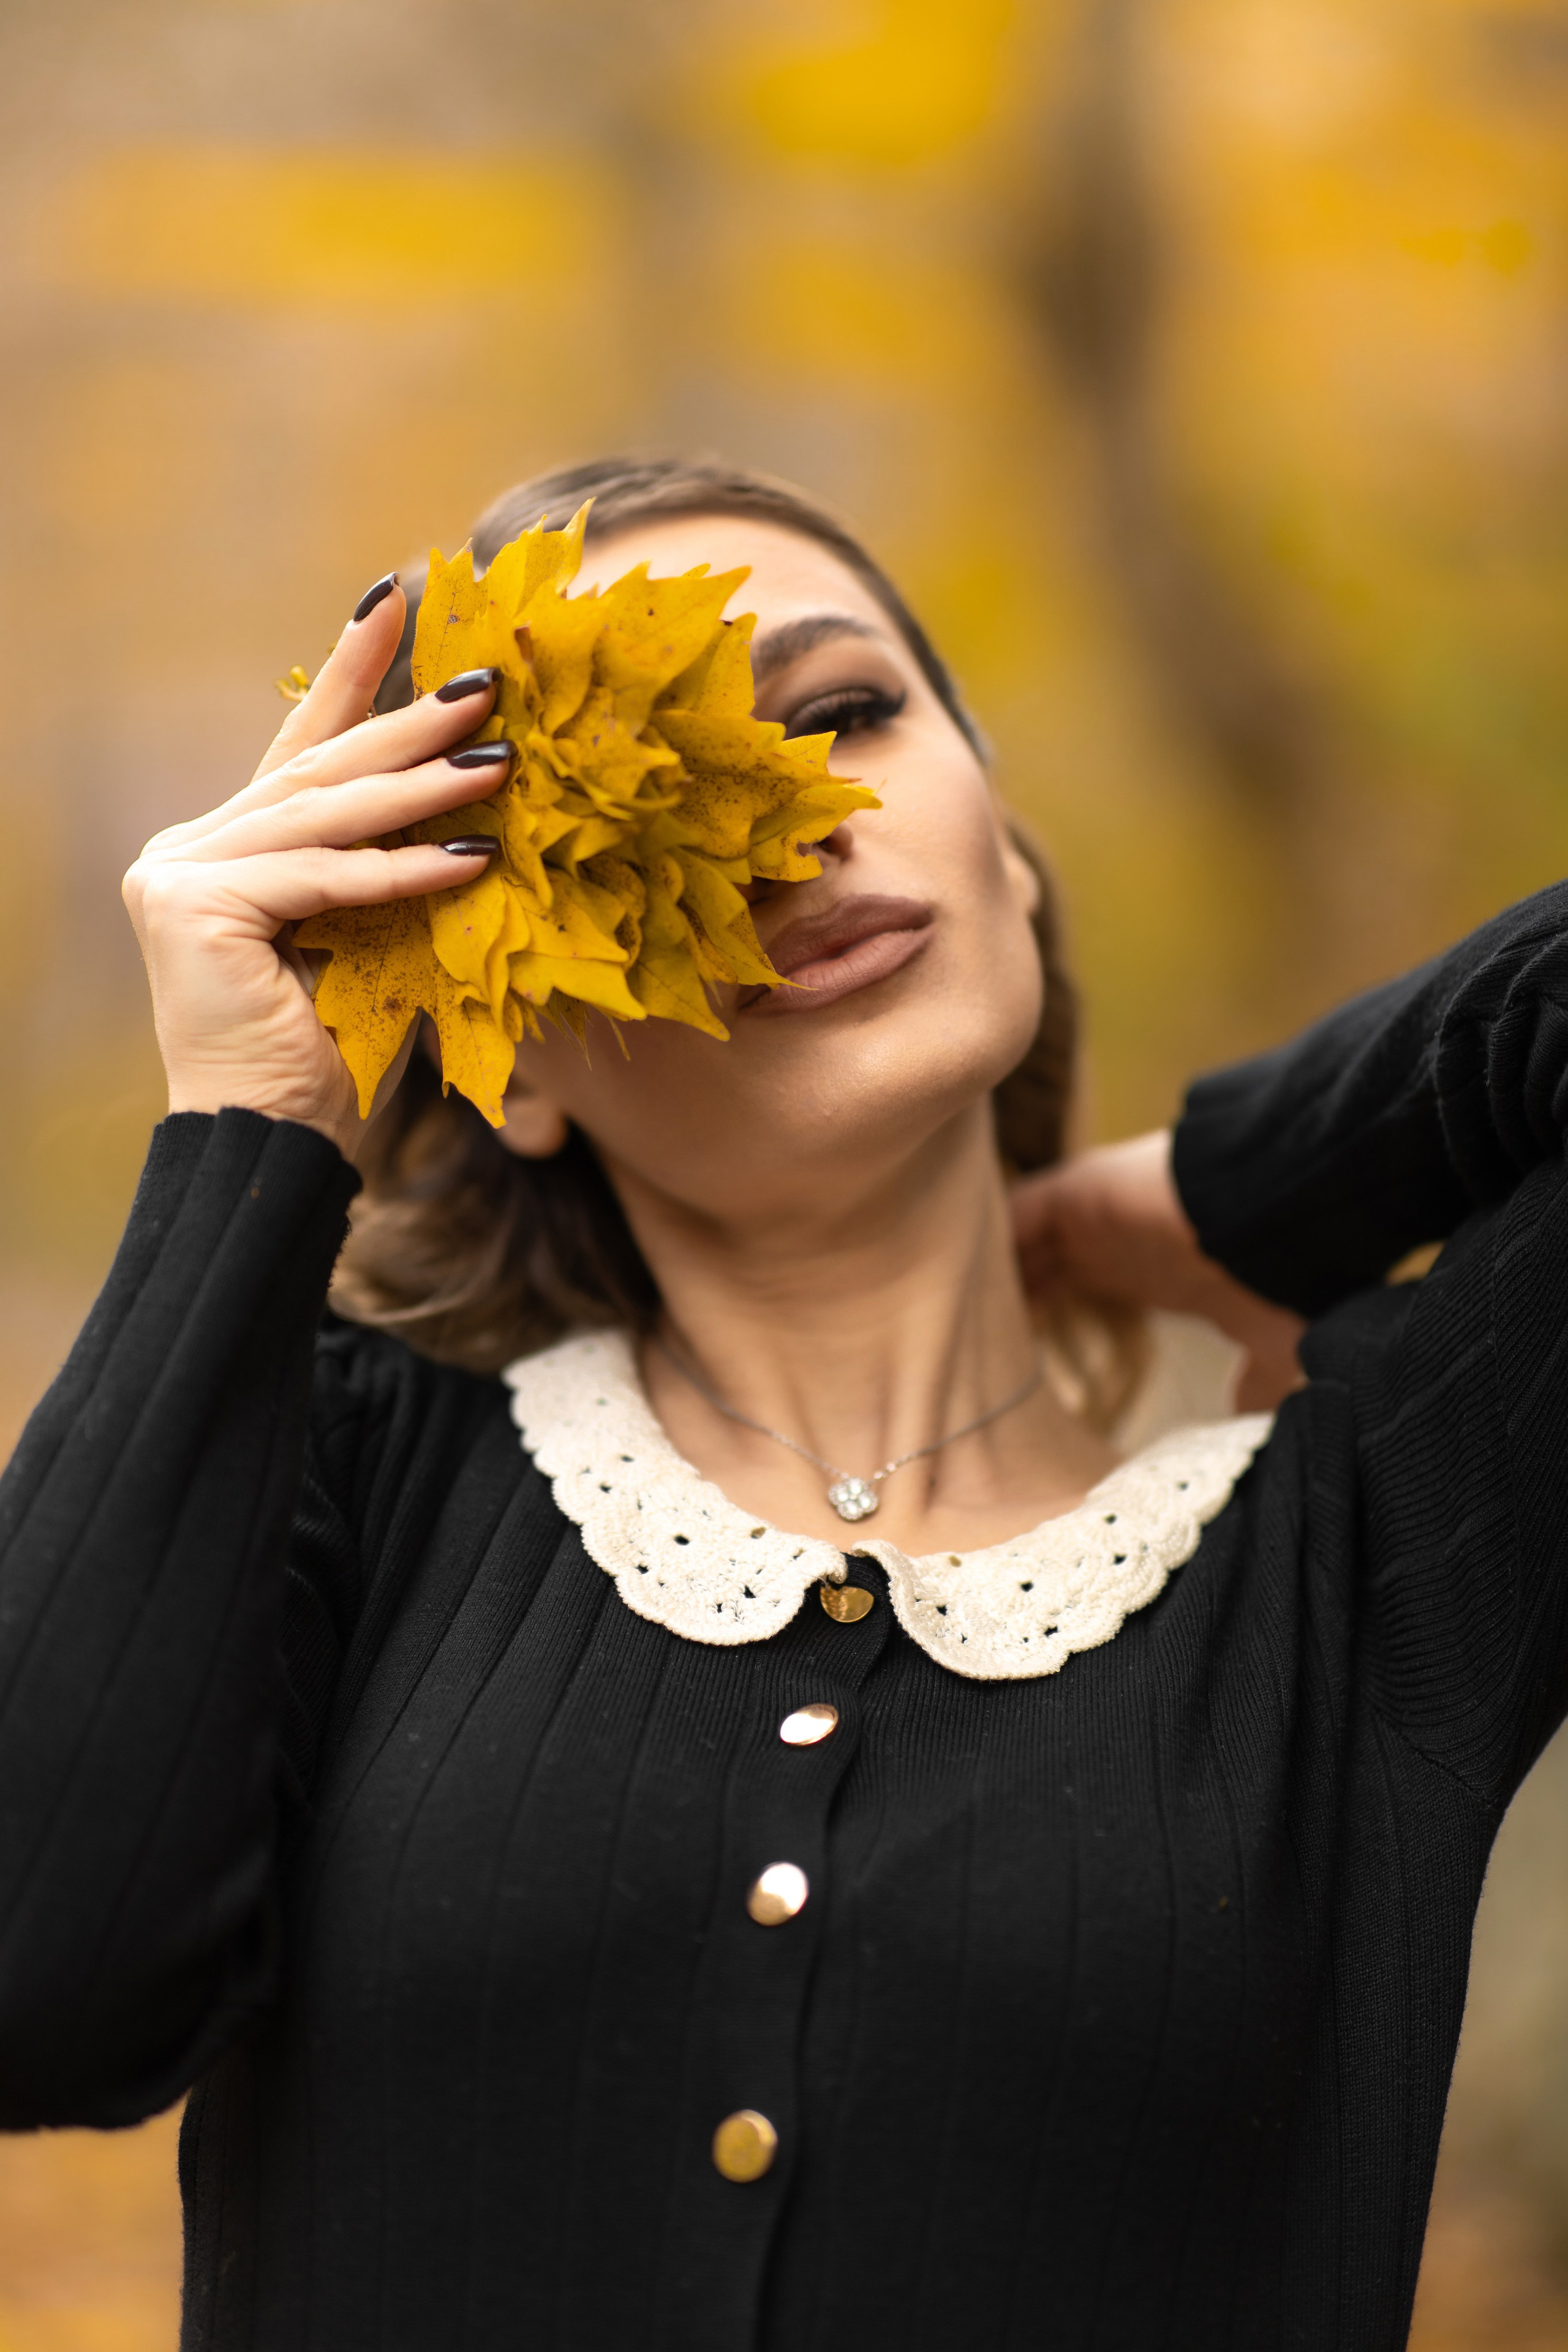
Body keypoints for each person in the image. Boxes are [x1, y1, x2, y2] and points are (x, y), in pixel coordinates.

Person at [0, 454, 1561, 2352]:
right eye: (605, 806)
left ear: (1015, 856)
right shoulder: (345, 1468)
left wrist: (1244, 1181)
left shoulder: (1378, 1559)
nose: (790, 819)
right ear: (519, 1064)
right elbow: (38, 1981)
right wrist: (247, 1136)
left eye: (846, 713)